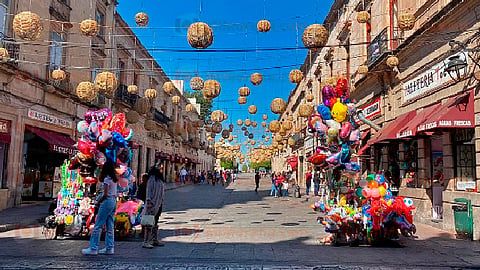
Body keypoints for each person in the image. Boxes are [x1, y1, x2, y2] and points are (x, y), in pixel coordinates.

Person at [82, 161, 118, 255]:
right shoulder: (114, 179)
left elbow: (105, 194)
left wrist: (99, 201)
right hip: (114, 201)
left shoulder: (106, 179)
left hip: (107, 201)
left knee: (98, 225)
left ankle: (93, 248)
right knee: (110, 225)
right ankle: (110, 247)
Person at [142, 165, 166, 248]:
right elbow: (149, 190)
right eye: (160, 168)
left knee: (155, 221)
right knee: (149, 222)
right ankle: (146, 241)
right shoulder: (152, 178)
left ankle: (154, 239)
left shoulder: (159, 179)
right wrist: (148, 201)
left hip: (159, 204)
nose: (162, 170)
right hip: (152, 204)